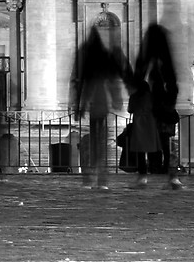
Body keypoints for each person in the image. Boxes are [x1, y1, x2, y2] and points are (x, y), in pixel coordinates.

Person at [71, 17, 128, 191]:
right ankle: (101, 177)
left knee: (93, 140)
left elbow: (77, 79)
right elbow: (113, 80)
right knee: (101, 141)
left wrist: (78, 104)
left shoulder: (85, 53)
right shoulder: (104, 55)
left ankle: (90, 175)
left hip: (91, 100)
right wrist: (117, 99)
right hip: (102, 101)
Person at [129, 22, 183, 189]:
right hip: (162, 109)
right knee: (167, 145)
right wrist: (169, 103)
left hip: (154, 110)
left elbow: (137, 81)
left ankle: (147, 176)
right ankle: (171, 177)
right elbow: (173, 85)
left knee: (153, 145)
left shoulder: (147, 61)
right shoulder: (165, 60)